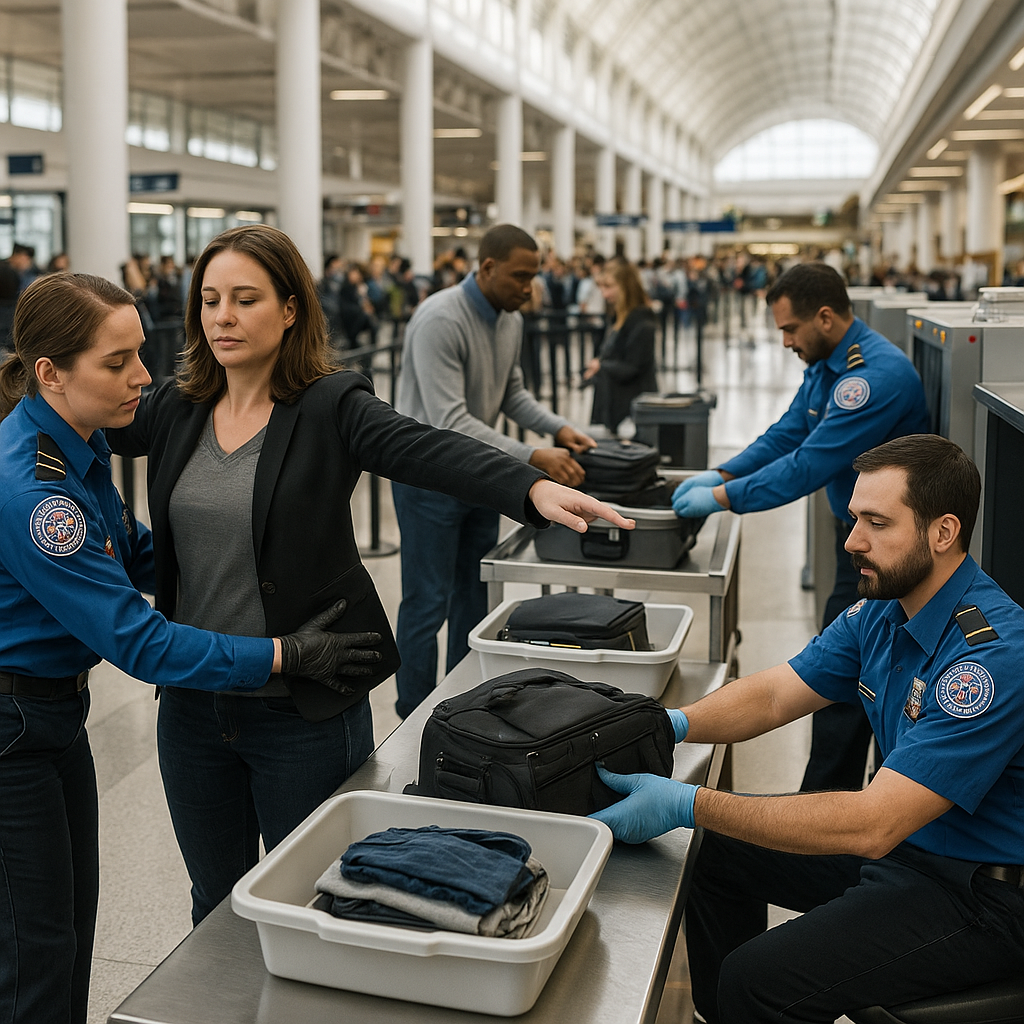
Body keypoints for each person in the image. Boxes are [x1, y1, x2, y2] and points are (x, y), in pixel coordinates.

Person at [105, 223, 631, 924]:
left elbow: (424, 447)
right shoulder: (175, 406)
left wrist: (528, 487)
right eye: (209, 300)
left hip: (302, 704)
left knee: (314, 900)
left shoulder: (330, 404)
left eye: (245, 299)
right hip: (195, 706)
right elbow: (72, 411)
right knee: (214, 901)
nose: (223, 317)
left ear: (290, 308)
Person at [0, 272, 385, 1024]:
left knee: (72, 930)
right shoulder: (34, 494)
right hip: (13, 730)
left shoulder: (73, 443)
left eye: (140, 353)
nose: (143, 379)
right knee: (33, 951)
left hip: (52, 719)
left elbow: (133, 549)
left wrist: (249, 549)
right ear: (51, 373)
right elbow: (140, 643)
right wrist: (283, 655)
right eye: (116, 364)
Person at [594, 435, 1024, 1023]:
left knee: (756, 979)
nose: (852, 542)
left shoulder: (989, 658)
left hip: (977, 895)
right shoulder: (884, 608)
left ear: (943, 533)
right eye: (854, 519)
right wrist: (668, 725)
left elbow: (874, 823)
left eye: (877, 523)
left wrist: (691, 801)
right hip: (908, 851)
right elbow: (775, 694)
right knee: (711, 851)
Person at [672, 262, 930, 793]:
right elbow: (788, 431)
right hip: (858, 544)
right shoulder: (828, 363)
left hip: (896, 557)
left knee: (859, 679)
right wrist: (722, 472)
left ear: (827, 318)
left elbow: (809, 464)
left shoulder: (872, 379)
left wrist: (722, 498)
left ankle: (839, 808)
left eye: (790, 329)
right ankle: (830, 800)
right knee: (849, 672)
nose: (785, 340)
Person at [392, 223, 598, 719]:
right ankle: (412, 716)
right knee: (426, 604)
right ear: (486, 268)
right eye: (520, 276)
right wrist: (531, 457)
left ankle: (461, 712)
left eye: (534, 277)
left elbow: (512, 394)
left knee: (474, 594)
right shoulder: (441, 318)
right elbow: (450, 421)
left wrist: (558, 428)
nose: (529, 288)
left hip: (477, 476)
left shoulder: (511, 319)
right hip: (427, 480)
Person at [582, 257, 657, 433]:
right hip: (614, 402)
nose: (604, 294)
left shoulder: (642, 322)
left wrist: (601, 365)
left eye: (608, 287)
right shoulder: (619, 318)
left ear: (625, 287)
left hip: (629, 409)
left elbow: (632, 367)